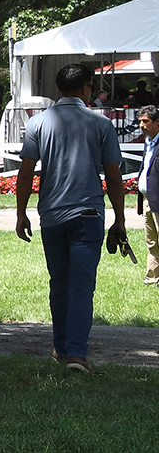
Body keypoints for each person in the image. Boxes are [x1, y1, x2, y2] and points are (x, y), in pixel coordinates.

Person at [15, 63, 125, 374]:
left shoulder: (38, 124)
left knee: (59, 284)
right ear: (87, 89)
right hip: (88, 213)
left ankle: (61, 347)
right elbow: (113, 177)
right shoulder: (100, 124)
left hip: (51, 215)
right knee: (82, 286)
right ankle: (77, 353)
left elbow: (26, 173)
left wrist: (21, 212)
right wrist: (119, 218)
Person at [137, 105, 159, 285]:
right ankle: (152, 277)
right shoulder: (147, 142)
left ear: (157, 122)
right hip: (147, 199)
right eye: (140, 121)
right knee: (151, 241)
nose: (141, 125)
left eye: (146, 121)